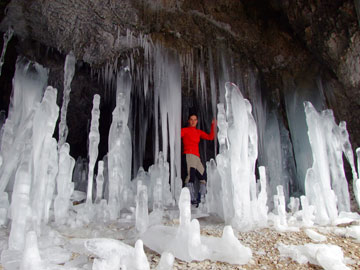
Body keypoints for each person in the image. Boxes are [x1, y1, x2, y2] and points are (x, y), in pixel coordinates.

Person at [181, 113, 215, 205]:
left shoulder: (198, 132)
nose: (193, 121)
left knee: (203, 177)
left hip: (197, 158)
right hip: (189, 155)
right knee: (190, 177)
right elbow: (175, 135)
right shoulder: (184, 130)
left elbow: (210, 137)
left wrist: (213, 124)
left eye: (195, 119)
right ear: (188, 121)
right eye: (191, 119)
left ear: (197, 121)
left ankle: (201, 198)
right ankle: (190, 199)